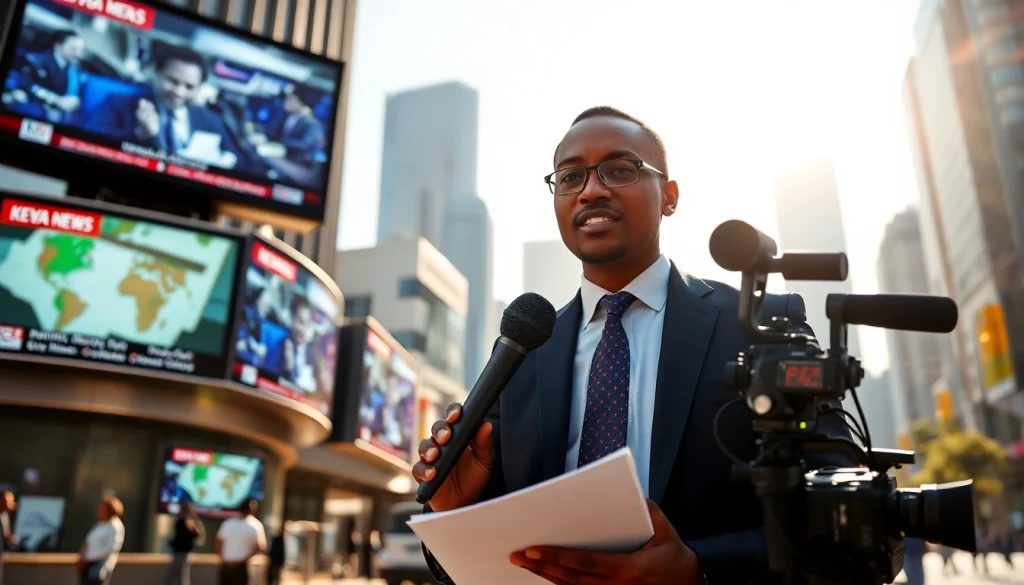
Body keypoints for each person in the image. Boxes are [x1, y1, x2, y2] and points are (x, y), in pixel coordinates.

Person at [412, 106, 858, 585]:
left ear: (669, 196)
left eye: (620, 170)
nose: (591, 189)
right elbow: (479, 559)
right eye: (570, 176)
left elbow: (849, 517)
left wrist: (698, 572)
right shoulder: (524, 352)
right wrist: (456, 509)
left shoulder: (762, 323)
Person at [85, 45, 248, 170]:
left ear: (200, 88)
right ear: (156, 73)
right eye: (173, 81)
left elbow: (240, 163)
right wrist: (137, 135)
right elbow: (87, 142)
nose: (179, 92)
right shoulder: (119, 104)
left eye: (189, 87)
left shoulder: (212, 120)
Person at [21, 30, 87, 123]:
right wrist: (56, 100)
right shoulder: (37, 61)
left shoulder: (76, 68)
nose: (78, 54)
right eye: (73, 49)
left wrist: (75, 101)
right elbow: (28, 86)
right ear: (58, 46)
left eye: (80, 50)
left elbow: (79, 92)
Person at [215, 499, 266, 585]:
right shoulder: (255, 525)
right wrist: (241, 561)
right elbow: (261, 547)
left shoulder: (228, 523)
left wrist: (224, 559)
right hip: (236, 566)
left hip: (230, 565)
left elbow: (218, 543)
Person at [76, 496, 124, 585]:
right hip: (86, 566)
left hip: (98, 567)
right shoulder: (99, 525)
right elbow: (88, 541)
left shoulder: (115, 526)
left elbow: (111, 548)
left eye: (102, 508)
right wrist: (82, 556)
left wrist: (89, 558)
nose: (99, 510)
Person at [163, 504, 205, 585]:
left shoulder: (184, 522)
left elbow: (198, 535)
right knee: (176, 573)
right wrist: (192, 526)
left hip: (182, 551)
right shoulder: (182, 523)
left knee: (179, 573)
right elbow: (193, 534)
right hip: (180, 551)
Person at [0, 491, 17, 585]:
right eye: (8, 501)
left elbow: (6, 533)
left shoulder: (6, 515)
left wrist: (11, 538)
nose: (10, 505)